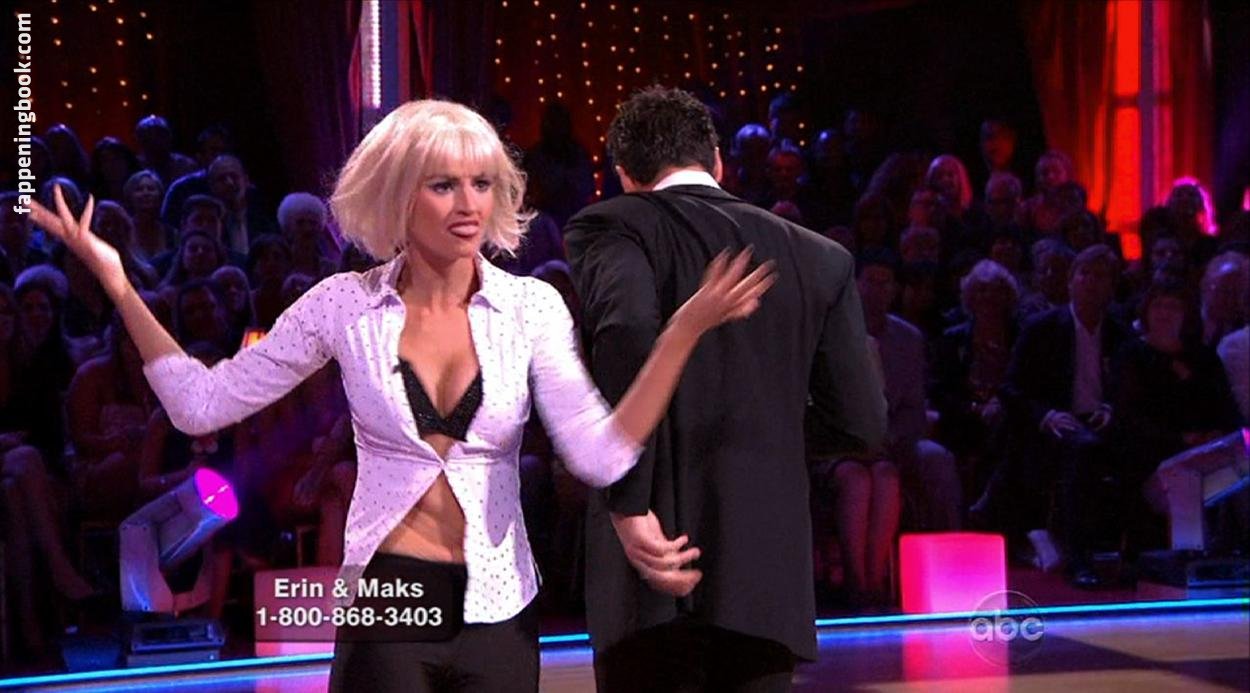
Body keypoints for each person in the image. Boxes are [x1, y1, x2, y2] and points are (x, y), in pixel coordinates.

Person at [28, 97, 774, 693]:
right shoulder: (344, 306)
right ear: (397, 194)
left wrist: (682, 332)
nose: (468, 204)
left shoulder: (532, 308)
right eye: (442, 184)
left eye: (481, 183)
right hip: (390, 600)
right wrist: (117, 280)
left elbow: (598, 452)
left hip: (499, 605)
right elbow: (200, 404)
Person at [565, 86, 886, 693]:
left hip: (655, 559)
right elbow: (862, 424)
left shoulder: (614, 224)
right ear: (717, 161)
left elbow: (627, 331)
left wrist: (629, 501)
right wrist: (770, 431)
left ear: (624, 174)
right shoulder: (821, 258)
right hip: (766, 570)